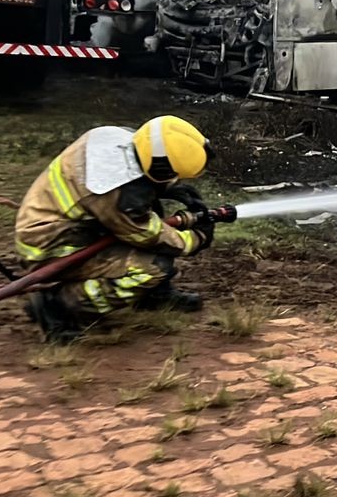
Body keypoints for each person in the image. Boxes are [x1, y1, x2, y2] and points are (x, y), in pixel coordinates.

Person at [14, 115, 232, 343]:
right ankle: (59, 305)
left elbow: (142, 178)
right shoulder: (114, 190)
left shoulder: (123, 140)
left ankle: (153, 295)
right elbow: (150, 236)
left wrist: (167, 188)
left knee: (150, 204)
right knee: (152, 267)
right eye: (172, 175)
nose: (176, 179)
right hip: (52, 250)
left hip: (71, 225)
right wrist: (196, 238)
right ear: (160, 168)